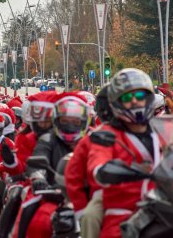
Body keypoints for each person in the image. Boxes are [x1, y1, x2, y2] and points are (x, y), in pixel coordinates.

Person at [87, 68, 162, 238]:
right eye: (128, 97)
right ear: (117, 103)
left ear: (149, 98)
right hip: (125, 209)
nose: (135, 101)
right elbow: (98, 162)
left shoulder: (161, 129)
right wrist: (105, 169)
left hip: (164, 204)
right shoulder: (106, 134)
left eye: (140, 96)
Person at [22, 92, 91, 238]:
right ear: (57, 120)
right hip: (55, 195)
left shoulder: (94, 139)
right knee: (38, 222)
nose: (70, 125)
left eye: (75, 121)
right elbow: (38, 159)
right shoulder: (48, 139)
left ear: (84, 122)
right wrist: (38, 178)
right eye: (65, 120)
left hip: (89, 197)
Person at [65, 84, 112, 238]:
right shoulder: (98, 137)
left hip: (145, 192)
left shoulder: (149, 131)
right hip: (107, 192)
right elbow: (98, 156)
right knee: (90, 217)